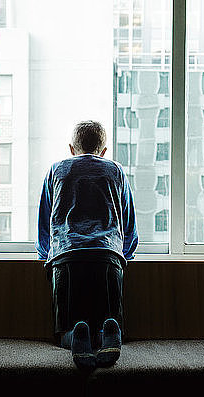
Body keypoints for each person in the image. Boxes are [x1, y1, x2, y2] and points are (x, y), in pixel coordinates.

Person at [36, 120, 138, 369]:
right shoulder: (115, 171)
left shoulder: (56, 170)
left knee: (64, 330)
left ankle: (75, 335)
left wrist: (45, 255)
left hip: (67, 256)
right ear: (103, 151)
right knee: (108, 316)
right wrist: (124, 255)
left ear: (72, 148)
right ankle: (107, 334)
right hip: (107, 256)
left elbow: (45, 220)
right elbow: (128, 222)